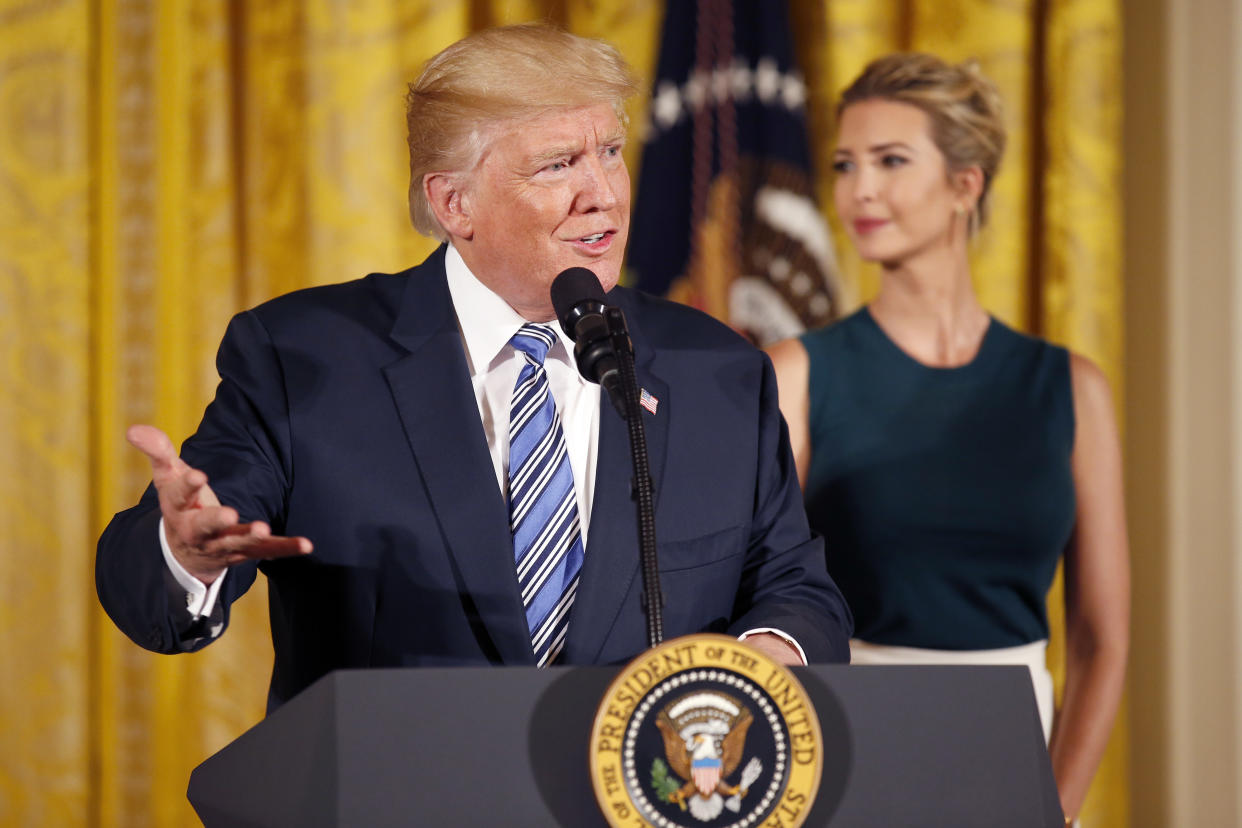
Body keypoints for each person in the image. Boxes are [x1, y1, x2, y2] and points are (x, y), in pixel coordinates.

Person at [95, 24, 853, 713]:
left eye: (611, 152)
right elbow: (156, 593)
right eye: (559, 164)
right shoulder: (303, 358)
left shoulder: (715, 369)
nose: (605, 194)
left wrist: (764, 657)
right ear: (455, 203)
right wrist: (183, 554)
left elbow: (795, 589)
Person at [765, 53, 1128, 822]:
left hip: (1013, 764)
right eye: (844, 164)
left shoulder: (1071, 388)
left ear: (966, 185)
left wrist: (1052, 806)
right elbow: (753, 596)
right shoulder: (795, 373)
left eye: (891, 161)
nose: (859, 188)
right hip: (842, 755)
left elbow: (1101, 637)